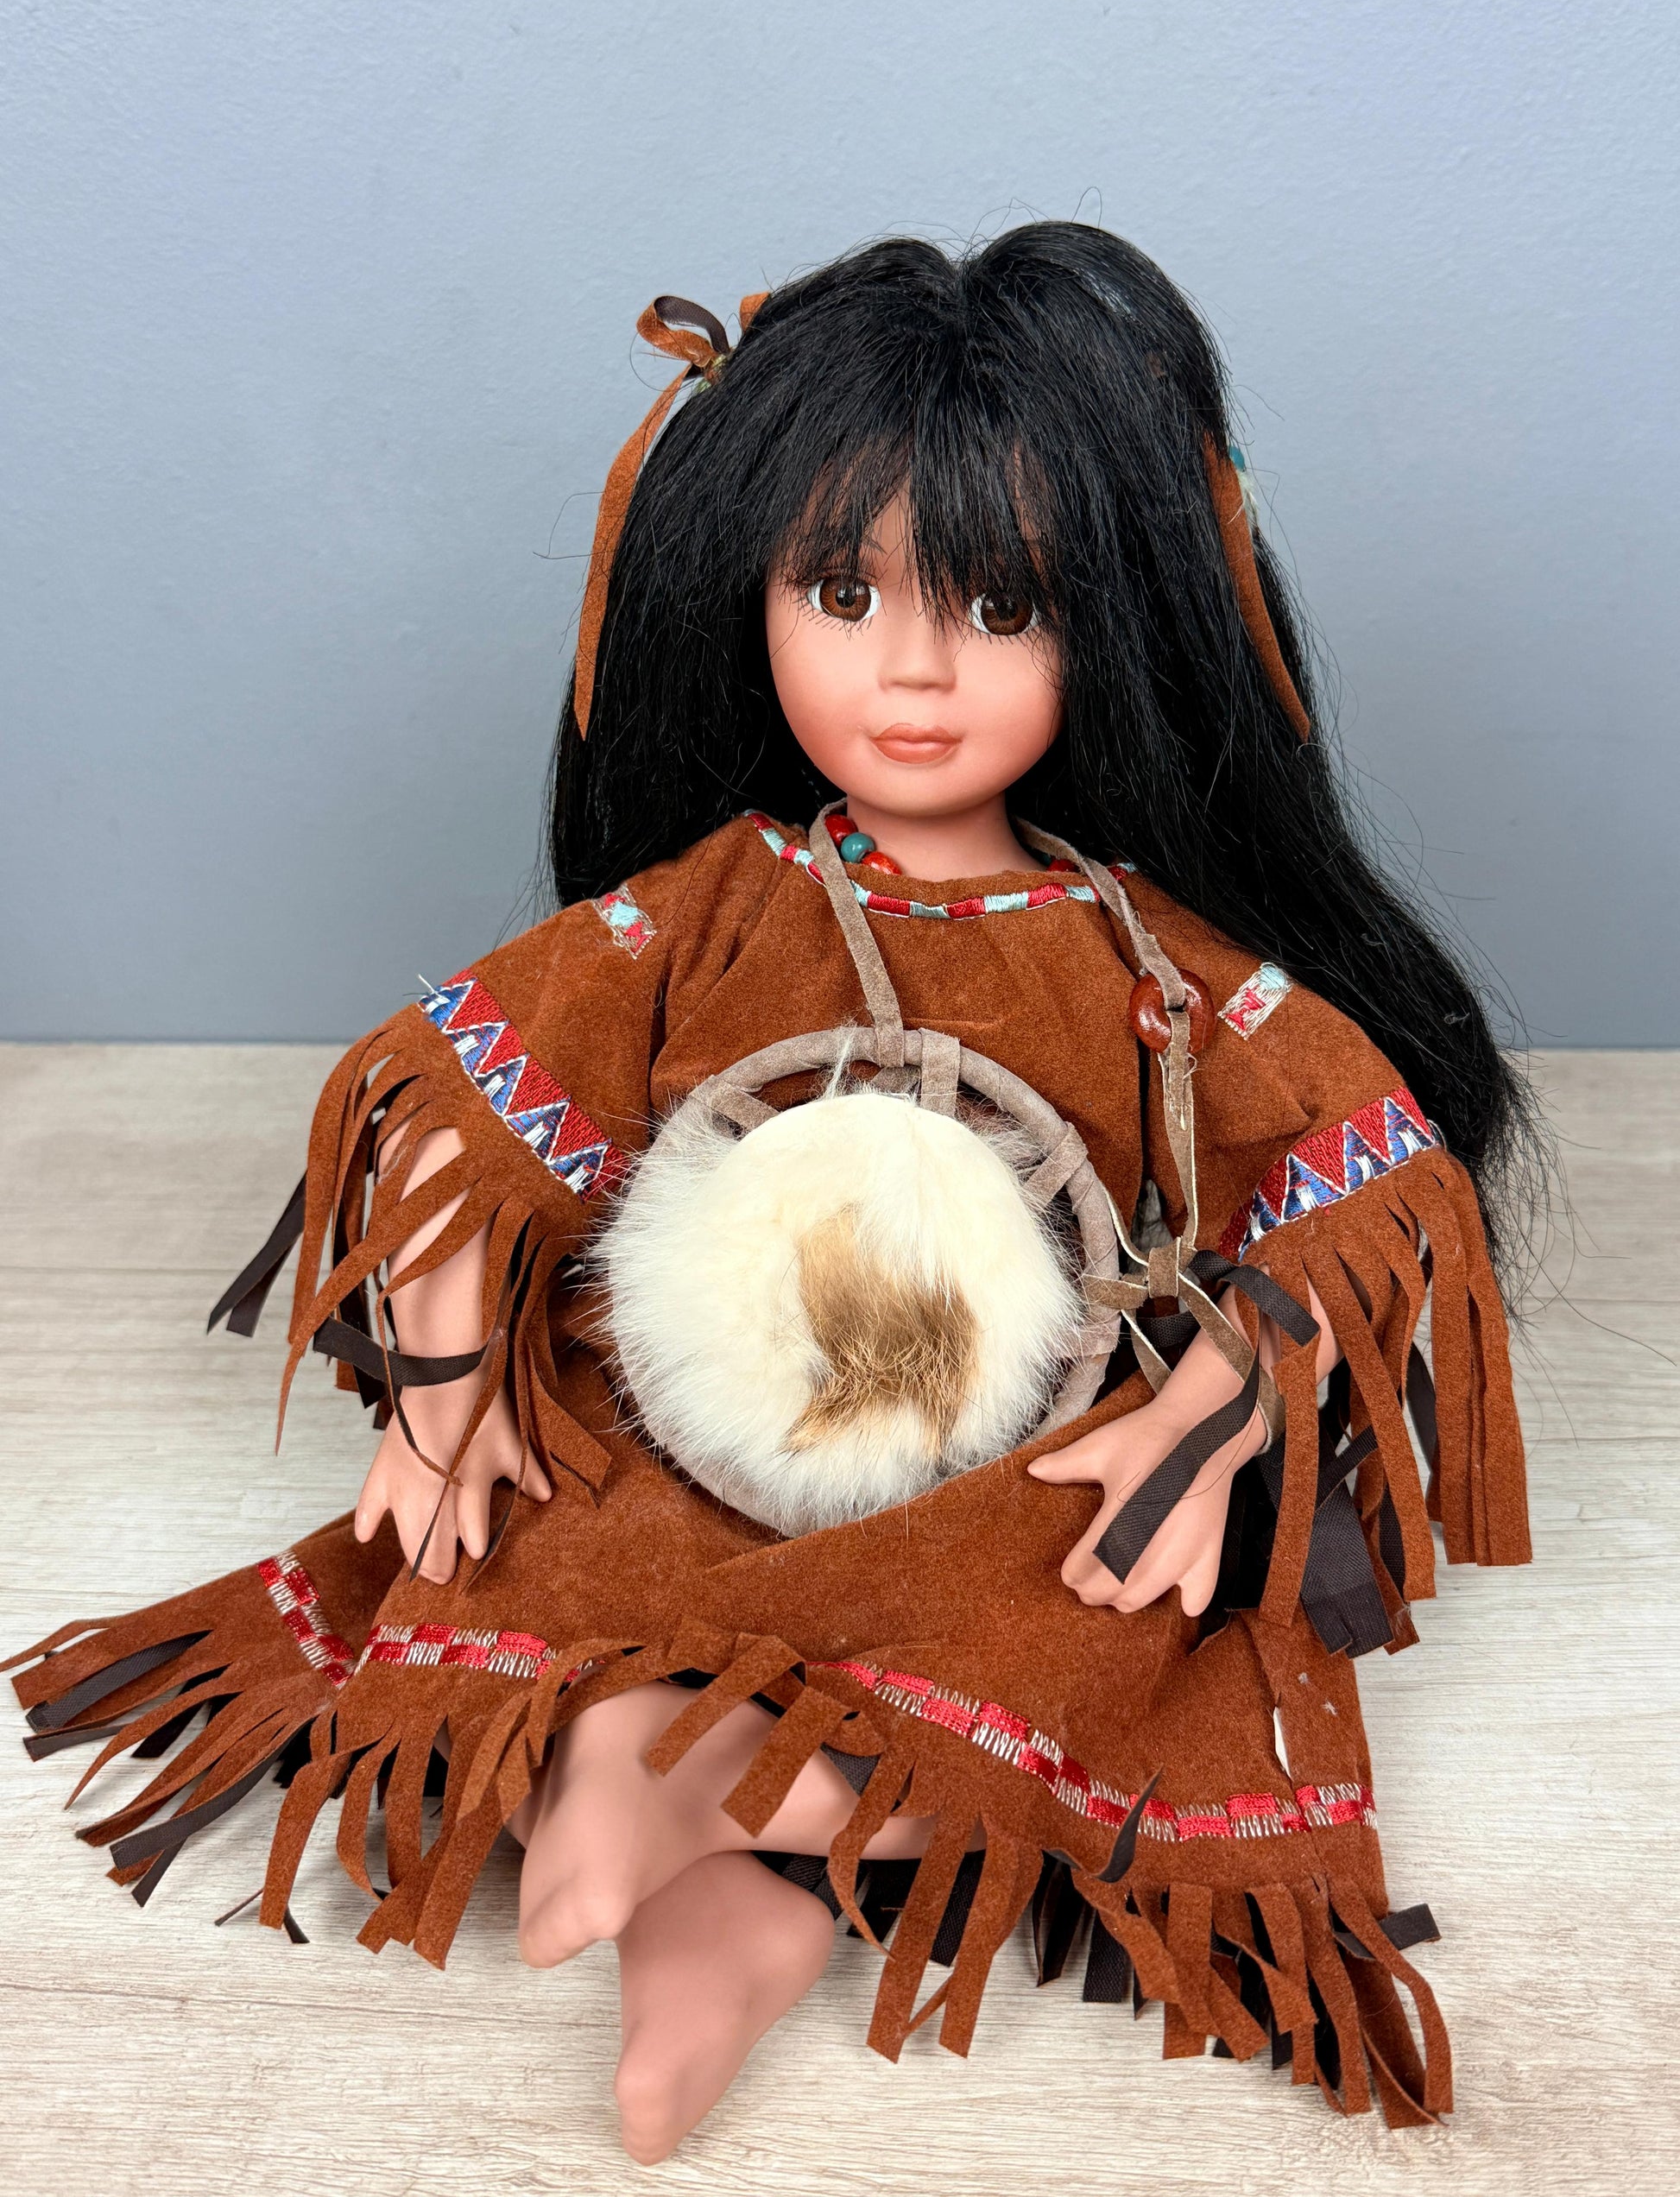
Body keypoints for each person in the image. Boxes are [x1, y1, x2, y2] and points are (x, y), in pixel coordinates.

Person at [9, 224, 1537, 2164]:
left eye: (1000, 604)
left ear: (1117, 626)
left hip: (1019, 1445)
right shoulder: (715, 905)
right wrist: (447, 1375)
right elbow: (461, 1098)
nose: (912, 667)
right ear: (744, 597)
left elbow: (1367, 1177)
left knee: (1086, 1599)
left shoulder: (1147, 955)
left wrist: (1229, 1389)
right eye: (840, 589)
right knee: (560, 1539)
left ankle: (704, 1815)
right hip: (703, 1418)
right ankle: (713, 1854)